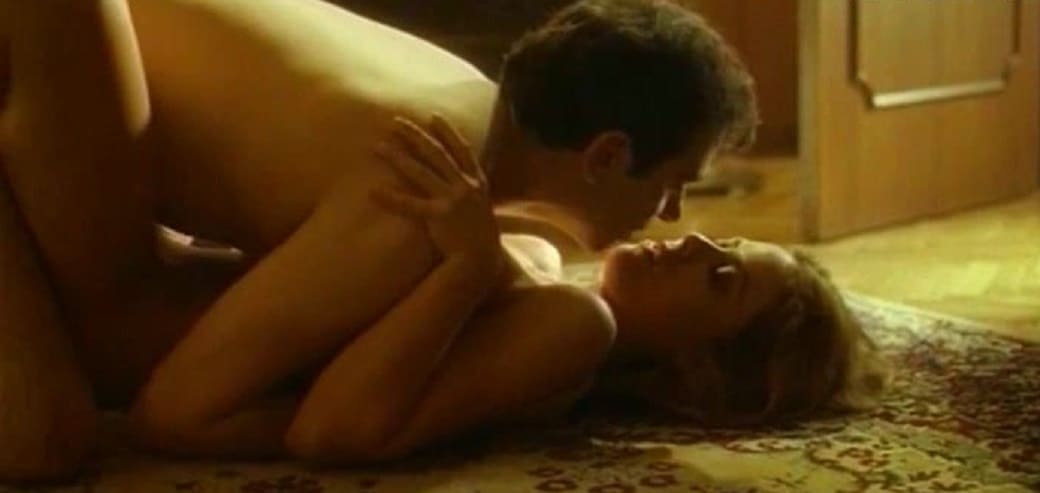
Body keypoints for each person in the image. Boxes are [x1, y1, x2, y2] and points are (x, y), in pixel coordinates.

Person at [0, 0, 764, 481]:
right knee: (44, 430)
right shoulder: (423, 188)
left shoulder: (468, 106)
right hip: (40, 47)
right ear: (605, 155)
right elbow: (172, 413)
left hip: (69, 94)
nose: (674, 217)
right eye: (675, 182)